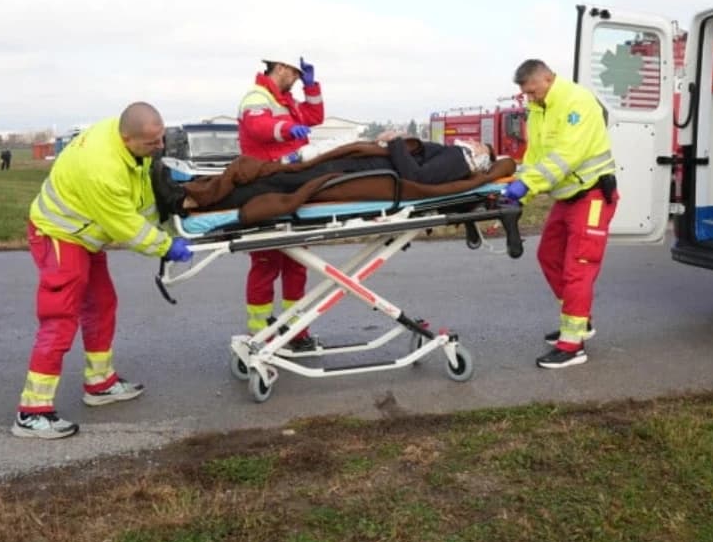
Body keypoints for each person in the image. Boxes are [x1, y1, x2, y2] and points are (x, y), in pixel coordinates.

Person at [12, 102, 193, 440]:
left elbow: (140, 202)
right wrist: (166, 246)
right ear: (127, 138)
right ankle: (32, 411)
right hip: (59, 234)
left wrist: (163, 229)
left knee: (101, 304)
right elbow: (126, 227)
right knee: (60, 317)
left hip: (84, 235)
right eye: (152, 143)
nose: (160, 147)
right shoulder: (102, 168)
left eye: (161, 138)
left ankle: (100, 383)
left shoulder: (131, 147)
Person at [502, 59, 619, 369]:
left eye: (532, 91)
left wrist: (527, 185)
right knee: (549, 255)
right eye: (526, 94)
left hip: (592, 195)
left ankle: (572, 345)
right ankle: (580, 320)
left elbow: (566, 155)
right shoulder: (538, 109)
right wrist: (521, 190)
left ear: (548, 78)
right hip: (567, 197)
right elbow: (535, 156)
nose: (530, 98)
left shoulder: (577, 101)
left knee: (578, 267)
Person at [155, 136, 496, 214]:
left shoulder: (460, 160)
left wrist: (395, 143)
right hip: (364, 170)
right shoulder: (457, 158)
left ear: (482, 157)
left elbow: (416, 176)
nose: (473, 142)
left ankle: (190, 200)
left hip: (363, 173)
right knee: (273, 178)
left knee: (276, 183)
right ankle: (192, 192)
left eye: (481, 145)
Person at [237, 55, 325, 346]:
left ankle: (296, 331)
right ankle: (261, 334)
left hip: (292, 188)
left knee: (296, 265)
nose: (298, 80)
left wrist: (312, 88)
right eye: (297, 75)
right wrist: (287, 129)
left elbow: (314, 117)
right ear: (281, 68)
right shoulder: (256, 97)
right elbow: (258, 128)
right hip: (265, 189)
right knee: (266, 264)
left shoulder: (287, 100)